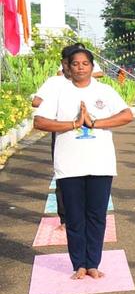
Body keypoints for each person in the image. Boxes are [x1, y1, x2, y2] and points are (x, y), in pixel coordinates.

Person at [33, 46, 134, 280]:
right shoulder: (59, 91)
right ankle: (78, 264)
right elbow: (40, 121)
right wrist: (74, 124)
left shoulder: (105, 91)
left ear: (92, 66)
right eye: (75, 63)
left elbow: (127, 115)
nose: (80, 68)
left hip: (100, 163)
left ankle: (93, 263)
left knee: (97, 216)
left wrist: (94, 123)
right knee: (75, 217)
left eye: (85, 64)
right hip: (69, 165)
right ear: (68, 66)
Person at [32, 46, 76, 230]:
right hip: (61, 133)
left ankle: (84, 216)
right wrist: (57, 106)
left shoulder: (87, 83)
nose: (75, 67)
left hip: (87, 136)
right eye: (70, 63)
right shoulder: (55, 82)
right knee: (63, 175)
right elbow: (36, 100)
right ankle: (66, 218)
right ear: (63, 63)